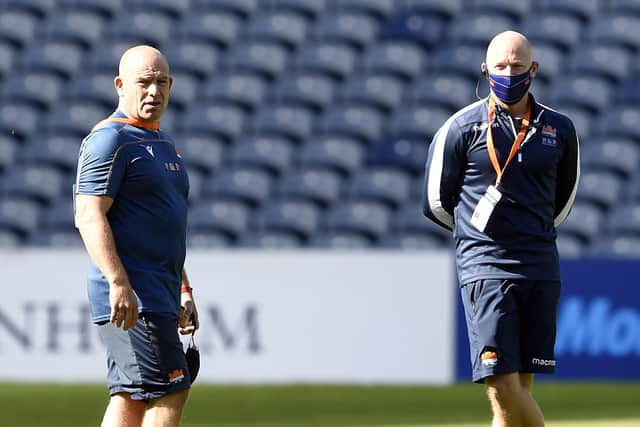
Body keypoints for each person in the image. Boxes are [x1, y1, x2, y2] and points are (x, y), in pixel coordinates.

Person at [423, 31, 580, 427]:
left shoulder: (560, 129)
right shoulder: (460, 128)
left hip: (540, 266)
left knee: (519, 389)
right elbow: (436, 203)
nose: (508, 74)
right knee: (500, 386)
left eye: (517, 66)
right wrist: (479, 239)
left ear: (534, 69)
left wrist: (531, 231)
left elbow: (563, 200)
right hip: (486, 267)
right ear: (485, 69)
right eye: (500, 66)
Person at [74, 45, 199, 427]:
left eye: (162, 82)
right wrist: (117, 282)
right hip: (133, 295)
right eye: (144, 82)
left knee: (131, 397)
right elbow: (88, 215)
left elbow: (164, 225)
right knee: (170, 390)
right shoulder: (109, 141)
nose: (153, 91)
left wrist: (183, 289)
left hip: (159, 291)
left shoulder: (163, 143)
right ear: (120, 85)